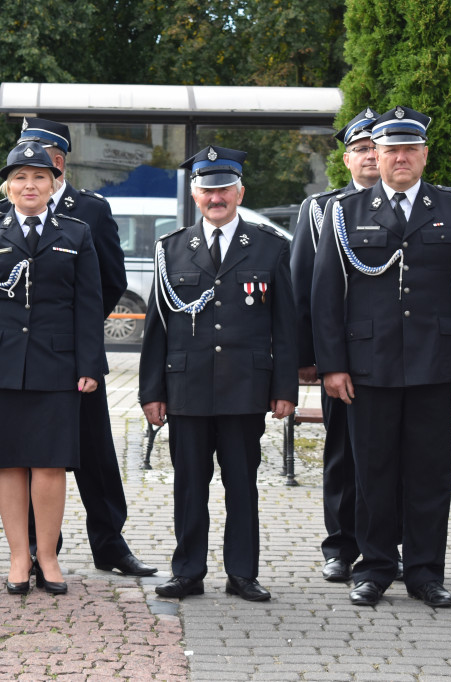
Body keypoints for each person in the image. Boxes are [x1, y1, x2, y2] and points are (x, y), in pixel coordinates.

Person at [312, 106, 451, 608]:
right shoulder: (345, 212)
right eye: (391, 150)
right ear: (377, 155)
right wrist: (333, 364)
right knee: (373, 471)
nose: (400, 158)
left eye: (410, 149)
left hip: (435, 364)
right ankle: (373, 568)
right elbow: (326, 296)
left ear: (424, 155)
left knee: (430, 472)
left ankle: (426, 572)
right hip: (369, 367)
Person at [140, 146, 297, 602]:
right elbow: (157, 327)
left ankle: (242, 573)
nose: (216, 197)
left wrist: (284, 387)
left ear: (240, 191)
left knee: (242, 485)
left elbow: (285, 327)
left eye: (224, 188)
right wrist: (152, 390)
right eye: (207, 189)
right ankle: (188, 572)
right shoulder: (171, 249)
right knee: (189, 486)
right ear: (194, 194)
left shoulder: (270, 247)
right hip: (186, 387)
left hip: (245, 389)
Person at [0, 141, 105, 595]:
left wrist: (90, 364)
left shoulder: (76, 233)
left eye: (39, 176)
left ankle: (49, 557)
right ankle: (19, 557)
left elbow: (88, 303)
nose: (29, 185)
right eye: (20, 177)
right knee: (8, 462)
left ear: (54, 182)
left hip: (56, 365)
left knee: (51, 464)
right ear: (8, 185)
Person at [9, 118, 157, 578]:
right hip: (25, 356)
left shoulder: (90, 209)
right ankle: (34, 548)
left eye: (41, 156)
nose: (31, 167)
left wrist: (77, 331)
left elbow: (110, 280)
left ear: (59, 160)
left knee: (94, 453)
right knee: (31, 452)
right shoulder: (8, 207)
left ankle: (110, 543)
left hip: (76, 354)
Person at [290, 107, 402, 583]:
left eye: (374, 148)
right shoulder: (321, 209)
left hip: (391, 354)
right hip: (341, 356)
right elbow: (303, 288)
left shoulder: (404, 205)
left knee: (392, 456)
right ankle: (340, 545)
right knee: (341, 452)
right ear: (347, 158)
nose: (369, 157)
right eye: (359, 149)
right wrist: (308, 357)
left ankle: (386, 546)